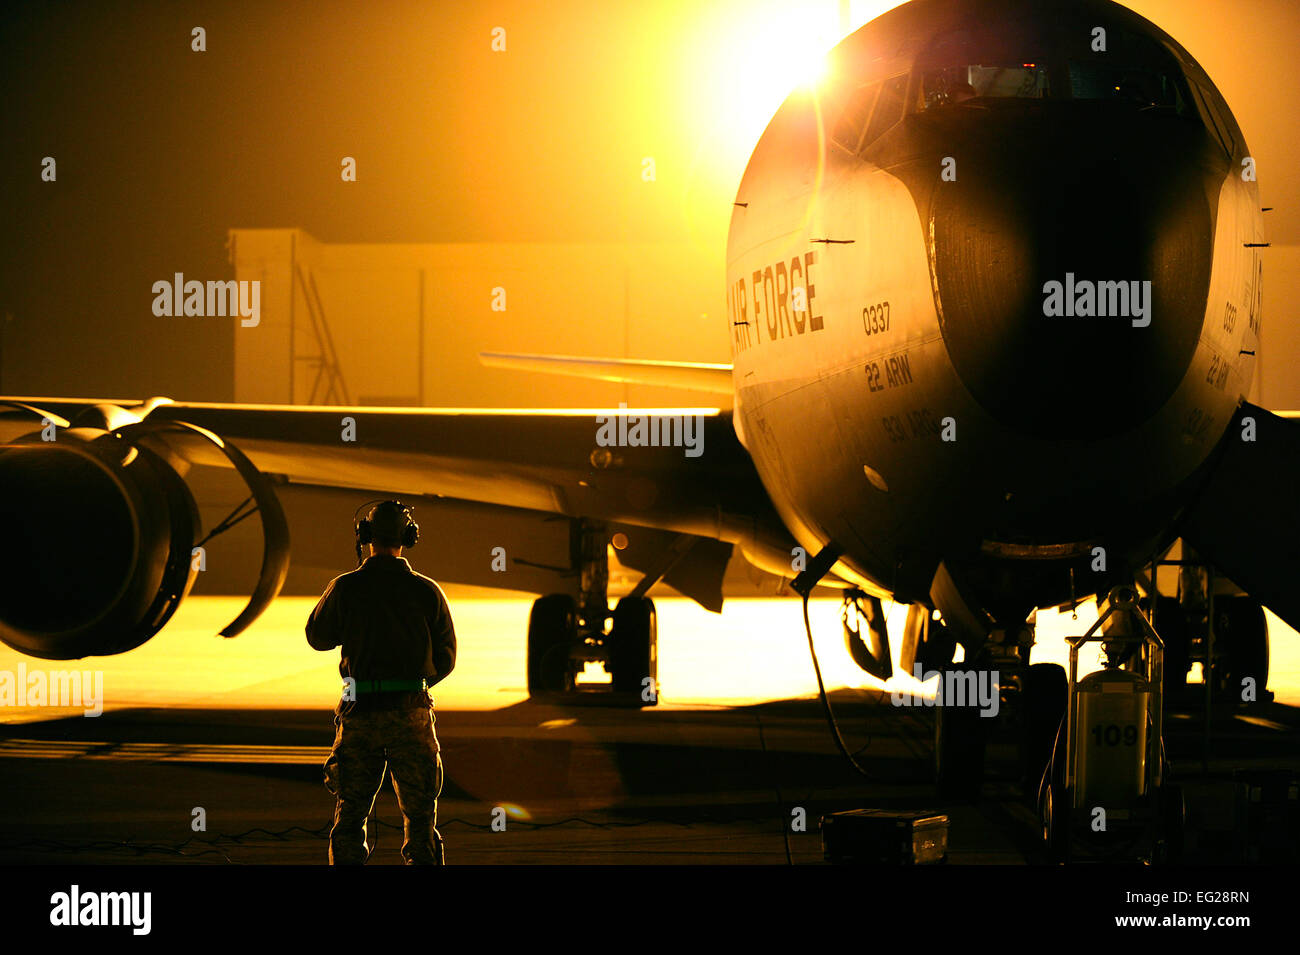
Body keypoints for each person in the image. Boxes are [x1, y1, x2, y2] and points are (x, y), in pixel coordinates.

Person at [306, 499, 457, 865]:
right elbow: (447, 658)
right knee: (420, 819)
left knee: (351, 814)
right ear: (408, 537)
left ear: (366, 536)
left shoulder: (346, 588)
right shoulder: (427, 591)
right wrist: (412, 684)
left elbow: (317, 637)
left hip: (361, 714)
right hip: (411, 714)